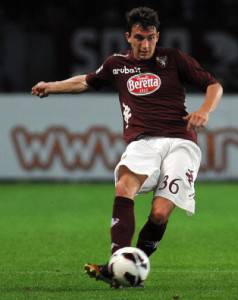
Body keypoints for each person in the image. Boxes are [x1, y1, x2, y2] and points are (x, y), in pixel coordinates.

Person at [31, 6, 223, 288]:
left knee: (159, 213)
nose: (145, 44)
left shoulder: (173, 58)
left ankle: (133, 265)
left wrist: (205, 110)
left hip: (181, 142)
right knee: (123, 187)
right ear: (128, 37)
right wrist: (51, 85)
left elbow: (213, 85)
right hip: (142, 142)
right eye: (139, 38)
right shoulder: (116, 64)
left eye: (150, 38)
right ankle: (116, 263)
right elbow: (85, 81)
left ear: (157, 36)